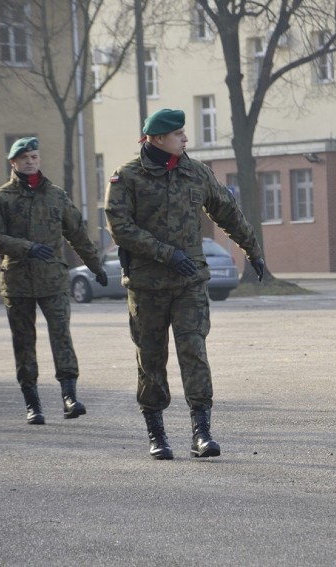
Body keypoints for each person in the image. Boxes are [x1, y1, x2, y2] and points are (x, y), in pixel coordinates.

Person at [105, 108, 265, 461]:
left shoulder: (196, 173)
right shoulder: (127, 177)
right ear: (157, 138)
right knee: (151, 359)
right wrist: (164, 253)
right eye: (179, 134)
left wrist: (252, 249)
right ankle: (156, 433)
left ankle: (201, 432)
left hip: (189, 281)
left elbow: (227, 211)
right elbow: (120, 228)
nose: (185, 139)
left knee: (194, 352)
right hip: (147, 285)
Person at [0, 137, 108, 425]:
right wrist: (26, 247)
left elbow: (76, 232)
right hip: (17, 281)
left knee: (61, 335)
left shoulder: (56, 196)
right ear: (13, 162)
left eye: (34, 156)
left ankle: (69, 397)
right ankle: (33, 403)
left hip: (52, 278)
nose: (30, 161)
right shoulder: (1, 198)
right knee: (24, 342)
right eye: (24, 157)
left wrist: (95, 266)